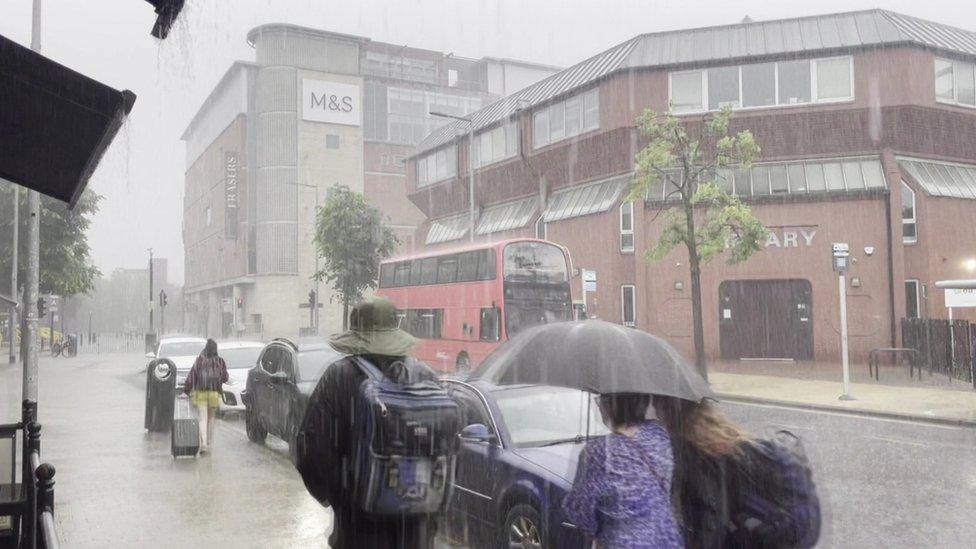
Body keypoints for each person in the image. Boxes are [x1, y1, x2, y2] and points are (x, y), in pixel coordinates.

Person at [296, 297, 439, 549]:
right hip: (416, 528)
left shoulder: (339, 377)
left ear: (357, 336)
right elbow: (447, 446)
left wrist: (339, 496)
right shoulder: (425, 376)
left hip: (359, 528)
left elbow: (311, 450)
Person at [563, 392, 683, 548]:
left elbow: (580, 510)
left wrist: (598, 530)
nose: (598, 406)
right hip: (666, 539)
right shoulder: (659, 434)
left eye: (600, 401)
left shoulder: (600, 451)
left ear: (609, 407)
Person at [182, 338, 228, 453]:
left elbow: (192, 376)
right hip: (214, 393)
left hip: (200, 392)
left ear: (205, 348)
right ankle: (209, 442)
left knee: (202, 418)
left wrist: (186, 391)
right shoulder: (220, 361)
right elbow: (225, 377)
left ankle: (203, 444)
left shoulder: (199, 361)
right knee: (211, 418)